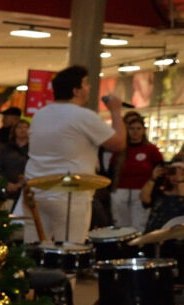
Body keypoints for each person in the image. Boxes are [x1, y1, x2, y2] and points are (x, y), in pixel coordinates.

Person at [17, 65, 125, 244]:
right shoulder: (83, 116)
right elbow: (119, 143)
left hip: (35, 190)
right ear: (76, 91)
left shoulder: (40, 115)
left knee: (34, 248)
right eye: (86, 84)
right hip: (68, 194)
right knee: (70, 248)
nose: (89, 88)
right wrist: (115, 111)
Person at [107, 111, 162, 231]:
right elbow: (111, 171)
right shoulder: (120, 149)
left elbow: (159, 171)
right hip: (120, 191)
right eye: (132, 129)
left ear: (143, 130)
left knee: (139, 225)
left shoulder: (151, 149)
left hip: (142, 192)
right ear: (127, 130)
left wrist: (153, 192)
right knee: (120, 226)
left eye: (138, 128)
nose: (135, 132)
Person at [0, 117, 30, 205]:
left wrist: (19, 184)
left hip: (26, 189)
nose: (22, 130)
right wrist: (6, 183)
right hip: (6, 188)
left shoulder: (33, 150)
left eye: (25, 127)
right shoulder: (6, 148)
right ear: (14, 130)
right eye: (19, 127)